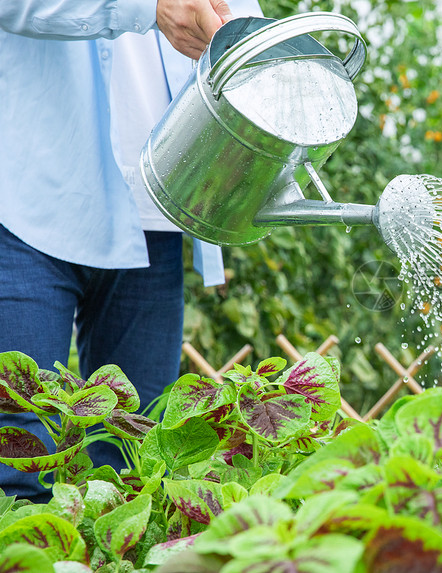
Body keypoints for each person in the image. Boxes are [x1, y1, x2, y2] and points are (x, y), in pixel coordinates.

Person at [0, 0, 263, 502]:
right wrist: (151, 6)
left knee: (134, 476)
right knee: (15, 470)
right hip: (27, 198)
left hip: (154, 211)